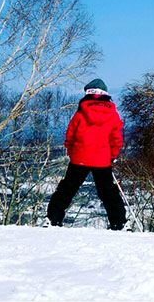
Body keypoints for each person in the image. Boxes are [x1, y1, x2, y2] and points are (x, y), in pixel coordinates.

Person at [47, 79, 127, 230]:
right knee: (108, 192)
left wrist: (72, 152)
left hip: (80, 157)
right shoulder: (113, 114)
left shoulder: (80, 113)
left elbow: (70, 135)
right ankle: (118, 222)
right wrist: (113, 155)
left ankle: (53, 219)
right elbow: (116, 137)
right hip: (102, 159)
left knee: (67, 189)